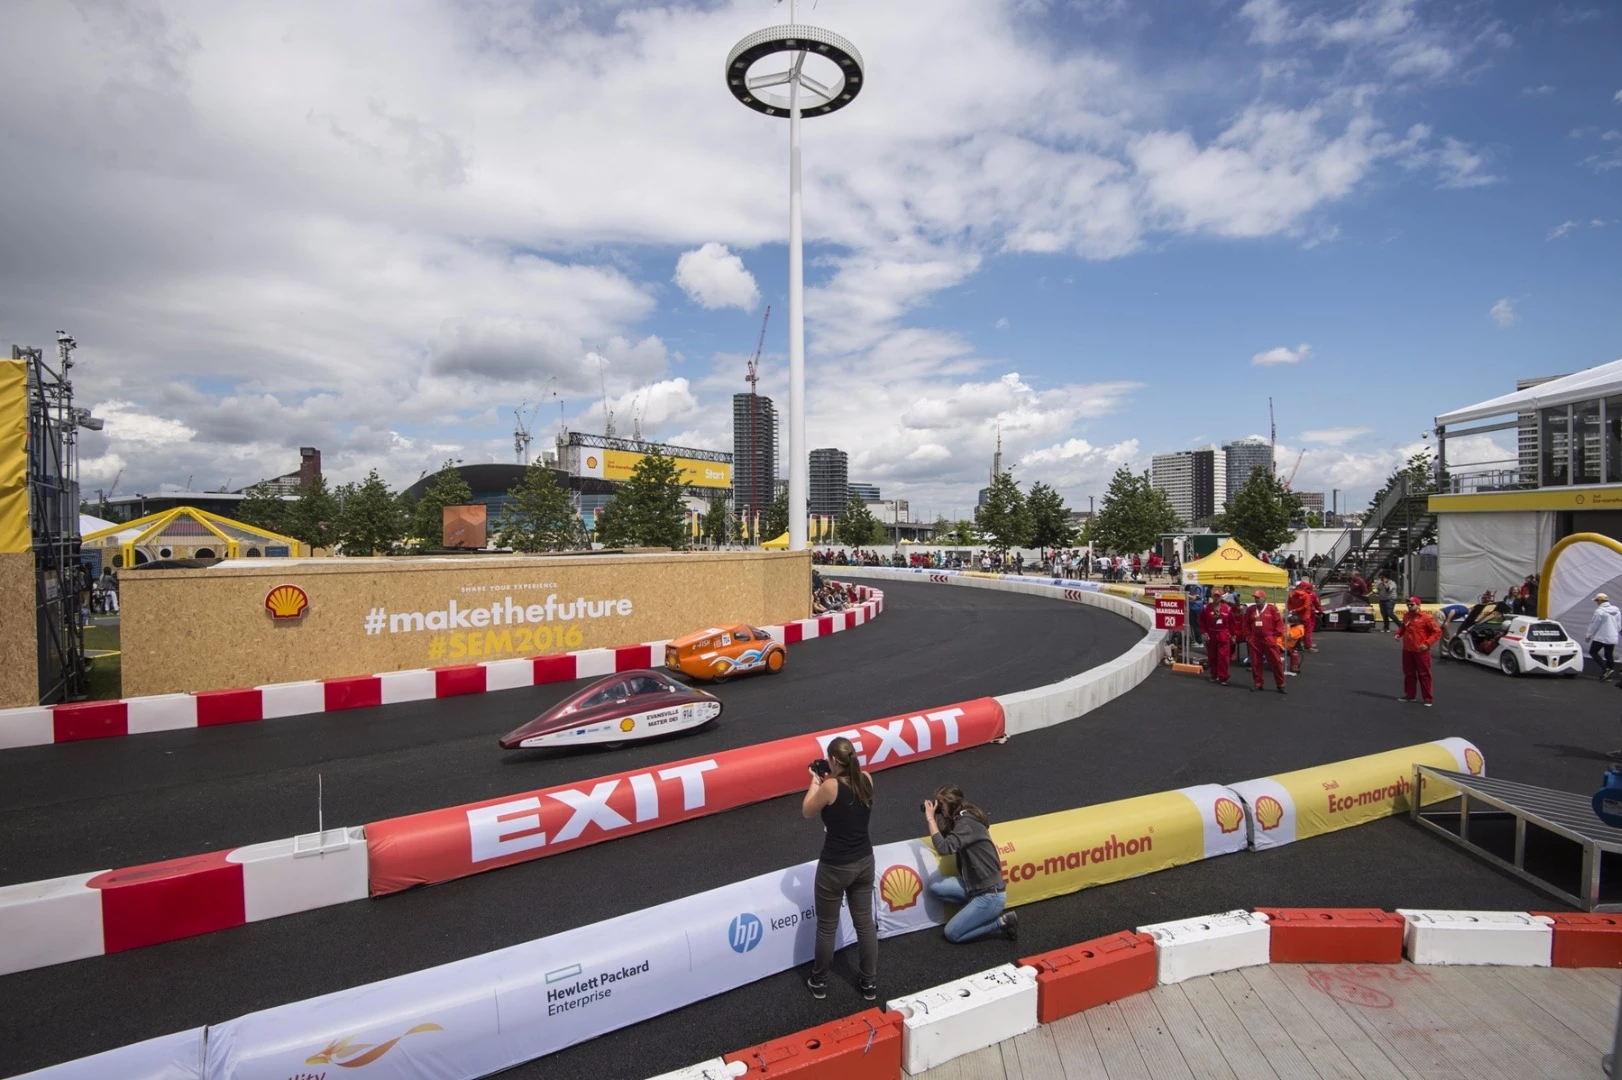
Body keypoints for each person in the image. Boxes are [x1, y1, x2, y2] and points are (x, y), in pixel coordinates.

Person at [801, 736, 879, 1001]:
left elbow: (807, 811)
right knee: (865, 924)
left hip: (835, 865)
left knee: (827, 926)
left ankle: (819, 981)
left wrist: (815, 779)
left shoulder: (830, 786)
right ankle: (869, 982)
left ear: (833, 760)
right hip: (865, 861)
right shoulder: (867, 779)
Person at [923, 784, 1017, 943]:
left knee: (952, 933)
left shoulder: (966, 823)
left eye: (941, 803)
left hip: (990, 896)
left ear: (950, 804)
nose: (938, 806)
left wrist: (931, 818)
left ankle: (1002, 922)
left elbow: (944, 847)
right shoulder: (962, 817)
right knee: (934, 887)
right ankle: (973, 909)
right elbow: (946, 836)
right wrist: (940, 816)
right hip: (973, 885)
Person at [1397, 597, 1442, 706]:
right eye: (1408, 605)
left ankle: (1427, 698)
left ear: (1418, 605)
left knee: (1424, 674)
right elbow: (1403, 628)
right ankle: (1410, 695)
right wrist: (1398, 634)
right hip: (1407, 650)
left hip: (1421, 651)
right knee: (1408, 673)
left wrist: (1427, 643)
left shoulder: (1426, 618)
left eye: (1412, 604)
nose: (1409, 606)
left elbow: (1437, 632)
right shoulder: (1406, 616)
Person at [1246, 589, 1287, 694]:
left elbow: (1279, 623)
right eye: (1255, 597)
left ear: (1264, 598)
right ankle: (1258, 683)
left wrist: (1275, 636)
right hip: (1255, 639)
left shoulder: (1272, 609)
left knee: (1276, 662)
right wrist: (1248, 635)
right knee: (1255, 662)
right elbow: (1245, 623)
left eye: (1258, 597)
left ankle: (1280, 684)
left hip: (1269, 638)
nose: (1256, 599)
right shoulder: (1251, 609)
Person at [1199, 588, 1234, 685]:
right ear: (1212, 596)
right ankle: (1214, 674)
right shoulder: (1206, 608)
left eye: (1218, 596)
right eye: (1215, 596)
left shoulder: (1227, 608)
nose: (1216, 598)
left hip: (1223, 634)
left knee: (1223, 657)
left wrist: (1233, 635)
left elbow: (1232, 623)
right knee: (1212, 656)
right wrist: (1204, 632)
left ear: (1221, 597)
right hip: (1211, 634)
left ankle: (1223, 677)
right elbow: (1202, 621)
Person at [1587, 593, 1621, 677]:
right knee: (1609, 654)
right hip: (1612, 636)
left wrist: (1589, 635)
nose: (1596, 603)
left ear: (1599, 601)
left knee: (1593, 652)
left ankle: (1606, 669)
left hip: (1601, 636)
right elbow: (1619, 623)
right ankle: (1608, 672)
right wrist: (1619, 631)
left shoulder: (1599, 611)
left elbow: (1594, 624)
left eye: (1596, 601)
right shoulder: (1616, 610)